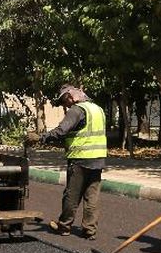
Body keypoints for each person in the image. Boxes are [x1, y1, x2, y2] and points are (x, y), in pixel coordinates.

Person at [26, 84, 107, 238]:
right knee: (92, 196)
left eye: (64, 101)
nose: (64, 105)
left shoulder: (77, 110)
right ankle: (90, 230)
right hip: (98, 158)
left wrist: (40, 137)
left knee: (72, 194)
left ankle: (64, 226)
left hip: (80, 157)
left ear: (71, 96)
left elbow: (61, 131)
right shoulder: (98, 109)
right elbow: (80, 132)